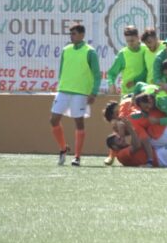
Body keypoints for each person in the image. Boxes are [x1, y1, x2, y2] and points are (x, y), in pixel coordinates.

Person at [49, 23, 101, 167]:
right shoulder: (66, 50)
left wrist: (93, 93)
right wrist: (60, 85)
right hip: (63, 90)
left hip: (81, 93)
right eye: (70, 34)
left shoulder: (90, 52)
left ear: (82, 35)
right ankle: (63, 148)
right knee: (53, 120)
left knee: (78, 123)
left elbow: (97, 75)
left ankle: (77, 157)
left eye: (74, 33)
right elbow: (61, 70)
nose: (71, 36)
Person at [107, 25, 147, 96]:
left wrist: (135, 81)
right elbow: (111, 73)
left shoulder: (146, 50)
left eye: (132, 40)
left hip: (144, 93)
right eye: (127, 41)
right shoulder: (122, 54)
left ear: (138, 37)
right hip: (128, 94)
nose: (130, 43)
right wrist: (111, 84)